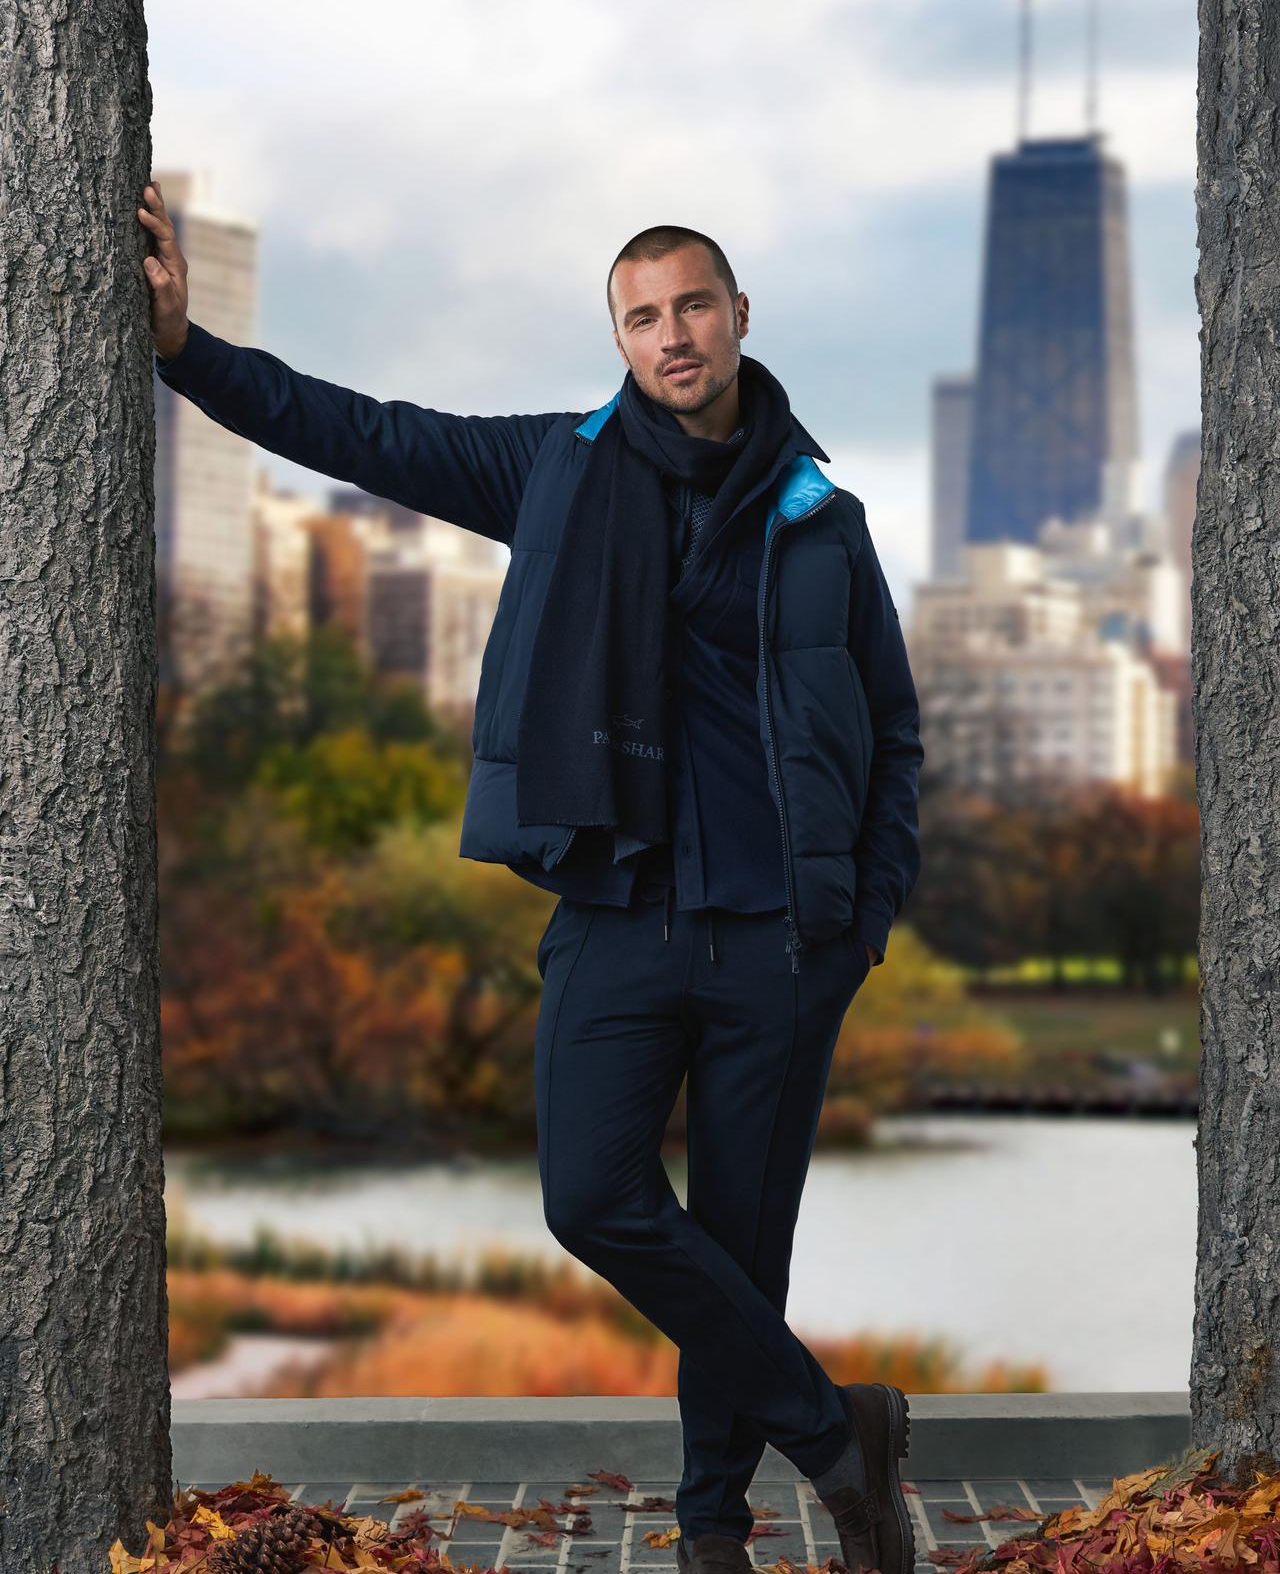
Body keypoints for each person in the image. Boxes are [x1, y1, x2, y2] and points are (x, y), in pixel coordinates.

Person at [138, 180, 924, 1574]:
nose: (671, 335)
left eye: (692, 306)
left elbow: (895, 732)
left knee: (740, 1254)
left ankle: (710, 1535)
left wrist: (861, 922)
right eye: (642, 318)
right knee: (591, 1200)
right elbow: (362, 432)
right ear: (619, 342)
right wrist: (189, 352)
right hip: (617, 917)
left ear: (739, 316)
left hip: (780, 944)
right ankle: (835, 1430)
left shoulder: (826, 520)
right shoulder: (552, 471)